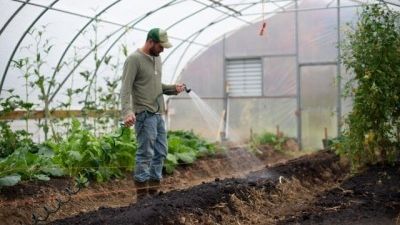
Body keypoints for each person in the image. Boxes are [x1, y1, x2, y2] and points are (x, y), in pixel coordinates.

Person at [120, 28, 185, 200]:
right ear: (150, 42)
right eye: (160, 46)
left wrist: (173, 89)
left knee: (161, 151)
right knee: (145, 153)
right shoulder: (134, 60)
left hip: (157, 114)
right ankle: (142, 197)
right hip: (144, 114)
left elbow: (156, 86)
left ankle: (153, 193)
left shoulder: (157, 59)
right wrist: (127, 112)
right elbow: (125, 89)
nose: (163, 49)